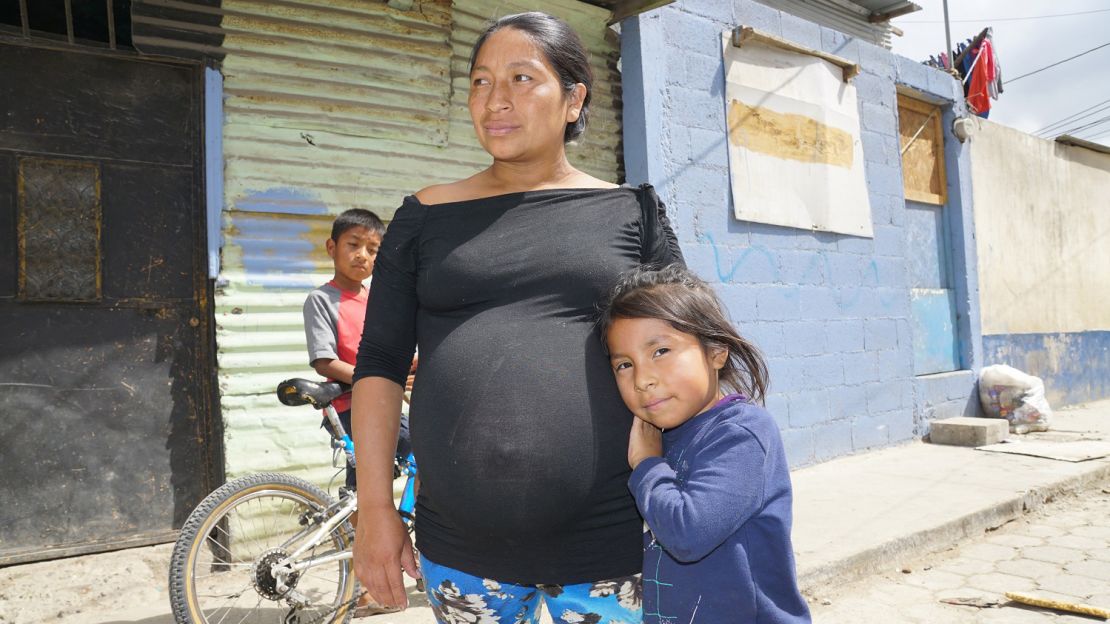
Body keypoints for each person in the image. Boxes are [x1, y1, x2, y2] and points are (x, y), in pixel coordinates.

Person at [349, 11, 682, 623]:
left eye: (522, 78)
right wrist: (376, 509)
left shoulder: (631, 214)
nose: (495, 100)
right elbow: (379, 365)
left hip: (617, 539)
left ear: (574, 99)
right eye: (480, 81)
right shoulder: (423, 217)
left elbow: (687, 355)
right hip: (462, 551)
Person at [599, 265, 812, 624]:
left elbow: (687, 533)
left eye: (661, 351)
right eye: (624, 364)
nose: (643, 379)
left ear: (716, 351)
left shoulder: (743, 432)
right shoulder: (661, 434)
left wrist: (648, 465)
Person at [302, 208, 411, 617]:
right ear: (332, 248)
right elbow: (325, 362)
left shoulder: (377, 301)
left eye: (372, 249)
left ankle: (373, 581)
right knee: (368, 498)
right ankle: (366, 587)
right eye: (353, 245)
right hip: (352, 409)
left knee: (367, 496)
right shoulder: (322, 299)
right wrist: (378, 379)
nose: (362, 256)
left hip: (382, 404)